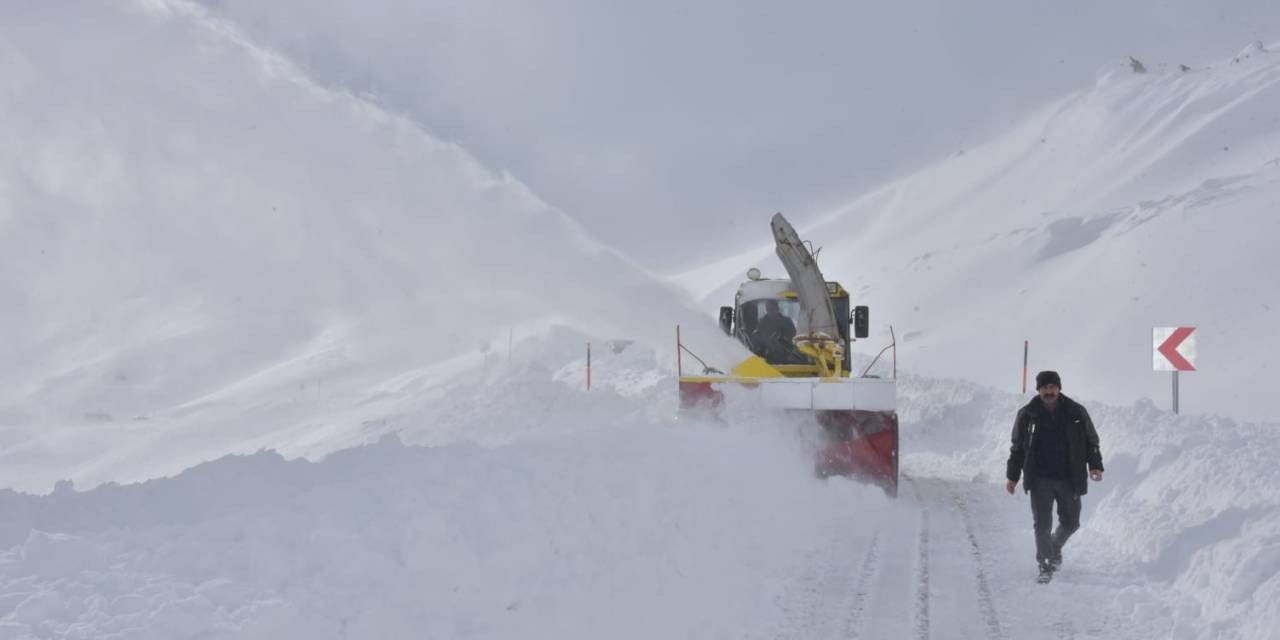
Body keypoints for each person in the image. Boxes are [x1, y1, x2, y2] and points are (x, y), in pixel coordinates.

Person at [1006, 370, 1105, 582]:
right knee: (1042, 524)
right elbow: (1017, 449)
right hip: (1040, 479)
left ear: (1059, 388)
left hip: (1070, 478)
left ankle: (1053, 545)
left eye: (1052, 387)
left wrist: (1095, 465)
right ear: (1038, 389)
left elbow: (1091, 441)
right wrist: (1012, 476)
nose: (1049, 391)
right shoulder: (1027, 414)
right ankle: (1045, 564)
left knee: (1071, 523)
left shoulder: (1076, 412)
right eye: (1044, 387)